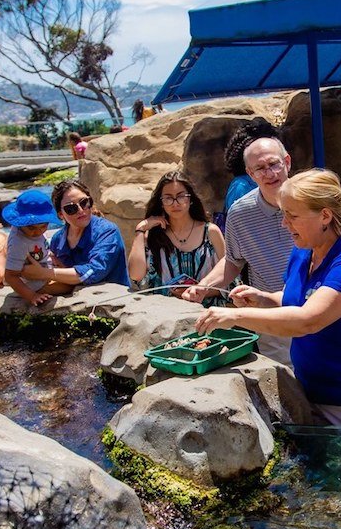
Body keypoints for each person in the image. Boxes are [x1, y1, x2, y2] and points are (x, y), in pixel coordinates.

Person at [196, 169, 341, 427]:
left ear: (325, 215)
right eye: (283, 214)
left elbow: (308, 320)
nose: (284, 223)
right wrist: (264, 298)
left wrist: (234, 316)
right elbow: (301, 298)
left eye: (292, 216)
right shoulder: (305, 250)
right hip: (310, 389)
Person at [185, 134, 298, 361]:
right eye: (260, 168)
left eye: (274, 164)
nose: (269, 173)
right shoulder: (239, 213)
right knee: (288, 385)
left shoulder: (313, 204)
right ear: (250, 173)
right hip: (271, 320)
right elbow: (233, 260)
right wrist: (204, 286)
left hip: (315, 307)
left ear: (287, 161)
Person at [15, 179, 130, 289]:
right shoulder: (57, 239)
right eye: (71, 208)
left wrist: (44, 273)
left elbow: (94, 271)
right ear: (60, 215)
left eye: (84, 202)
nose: (80, 210)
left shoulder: (107, 231)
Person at [129, 170, 224, 299]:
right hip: (166, 313)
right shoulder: (154, 236)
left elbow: (228, 280)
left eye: (180, 196)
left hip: (206, 311)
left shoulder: (211, 232)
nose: (175, 203)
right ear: (161, 203)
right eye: (168, 198)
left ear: (190, 199)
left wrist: (199, 292)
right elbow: (136, 275)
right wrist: (140, 230)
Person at [1, 189, 72, 307]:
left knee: (71, 273)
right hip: (32, 283)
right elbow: (10, 276)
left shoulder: (31, 232)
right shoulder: (18, 242)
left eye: (43, 226)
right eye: (32, 228)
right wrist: (31, 296)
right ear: (20, 223)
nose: (38, 232)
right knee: (69, 285)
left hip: (43, 268)